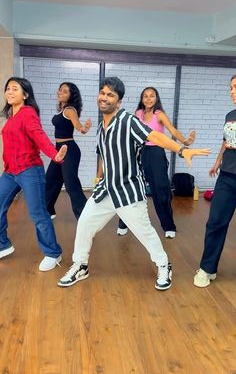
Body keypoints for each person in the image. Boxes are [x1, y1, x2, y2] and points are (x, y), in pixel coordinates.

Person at [57, 76, 210, 290]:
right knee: (85, 223)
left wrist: (182, 150)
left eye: (110, 95)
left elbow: (155, 136)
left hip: (128, 191)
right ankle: (80, 265)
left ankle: (164, 265)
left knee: (144, 232)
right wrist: (99, 174)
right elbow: (103, 153)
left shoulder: (128, 121)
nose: (105, 97)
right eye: (103, 93)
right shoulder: (102, 126)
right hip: (106, 189)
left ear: (118, 101)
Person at [0, 77, 67, 271]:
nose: (10, 92)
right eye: (8, 89)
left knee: (38, 213)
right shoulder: (12, 115)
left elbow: (39, 136)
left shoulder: (27, 113)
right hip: (11, 171)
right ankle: (3, 244)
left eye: (15, 89)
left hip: (30, 170)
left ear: (25, 94)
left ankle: (53, 253)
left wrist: (55, 155)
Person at [117, 86, 195, 238]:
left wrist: (185, 141)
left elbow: (173, 131)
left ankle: (169, 226)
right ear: (142, 99)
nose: (148, 98)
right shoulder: (138, 114)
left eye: (151, 96)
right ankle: (123, 223)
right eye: (145, 96)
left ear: (156, 98)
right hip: (139, 152)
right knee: (131, 187)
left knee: (161, 191)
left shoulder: (159, 115)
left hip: (156, 154)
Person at [194, 74, 236, 287]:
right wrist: (217, 162)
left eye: (235, 87)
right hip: (227, 176)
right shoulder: (230, 114)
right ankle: (207, 268)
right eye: (231, 88)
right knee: (215, 222)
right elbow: (226, 141)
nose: (232, 92)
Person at [45, 82, 91, 220]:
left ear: (71, 96)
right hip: (58, 150)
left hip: (69, 149)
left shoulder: (70, 110)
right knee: (51, 180)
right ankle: (48, 210)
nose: (60, 92)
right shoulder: (61, 109)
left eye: (65, 91)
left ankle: (85, 217)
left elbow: (79, 127)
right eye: (60, 90)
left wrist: (84, 128)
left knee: (71, 184)